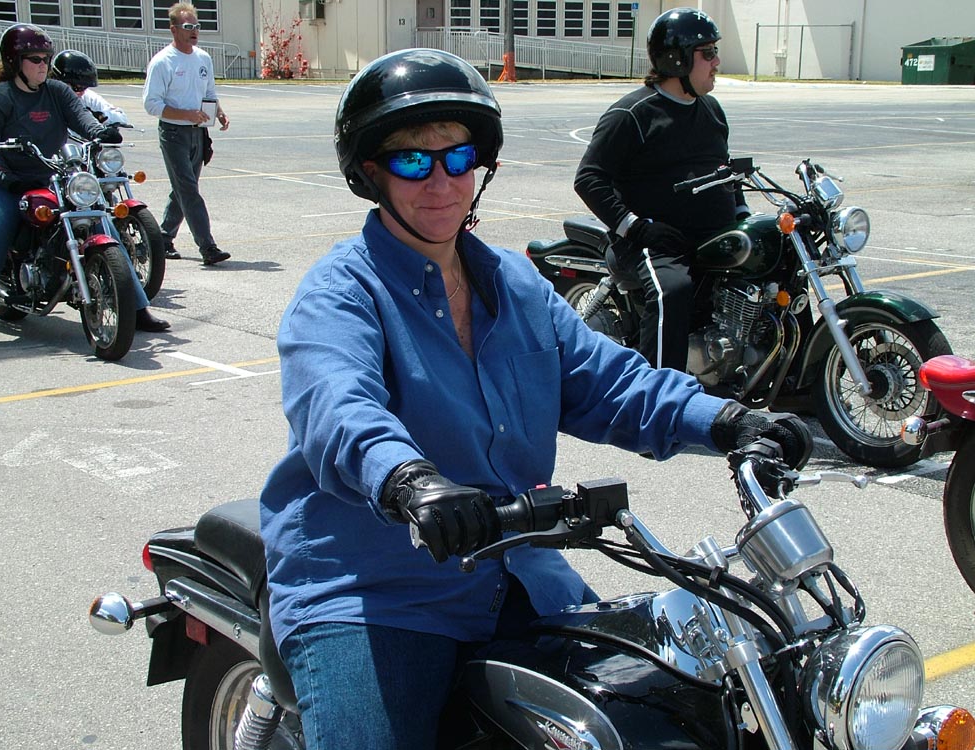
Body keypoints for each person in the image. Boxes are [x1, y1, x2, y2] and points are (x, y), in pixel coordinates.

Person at [258, 48, 812, 750]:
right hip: (378, 587)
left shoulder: (515, 284)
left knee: (661, 713)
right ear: (372, 173)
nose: (441, 182)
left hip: (520, 571)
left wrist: (729, 420)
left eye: (458, 158)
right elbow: (339, 409)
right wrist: (410, 481)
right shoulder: (340, 292)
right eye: (412, 160)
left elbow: (610, 381)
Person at [574, 7, 748, 371]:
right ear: (677, 59)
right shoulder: (632, 114)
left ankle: (796, 384)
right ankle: (659, 393)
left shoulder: (711, 109)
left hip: (709, 236)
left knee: (775, 264)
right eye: (707, 53)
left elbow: (724, 170)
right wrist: (638, 228)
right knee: (673, 291)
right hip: (654, 242)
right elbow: (589, 178)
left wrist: (742, 216)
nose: (717, 62)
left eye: (715, 51)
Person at [0, 23, 170, 333]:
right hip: (3, 183)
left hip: (50, 176)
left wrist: (100, 132)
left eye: (46, 58)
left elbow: (82, 119)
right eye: (35, 59)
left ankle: (136, 307)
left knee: (100, 219)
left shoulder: (57, 91)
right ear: (14, 62)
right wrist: (9, 179)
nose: (43, 65)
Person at [142, 2, 230, 265]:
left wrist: (219, 112)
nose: (194, 31)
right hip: (173, 134)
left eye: (197, 26)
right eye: (188, 26)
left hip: (198, 133)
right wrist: (185, 115)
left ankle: (162, 238)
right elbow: (152, 104)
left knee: (182, 189)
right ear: (174, 30)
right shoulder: (163, 62)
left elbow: (209, 93)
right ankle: (208, 247)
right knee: (188, 190)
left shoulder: (203, 58)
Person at [50, 49, 130, 126]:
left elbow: (121, 118)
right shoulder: (46, 102)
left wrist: (101, 116)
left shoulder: (87, 98)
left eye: (84, 88)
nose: (81, 92)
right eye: (77, 88)